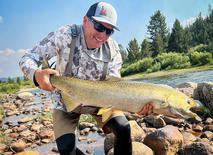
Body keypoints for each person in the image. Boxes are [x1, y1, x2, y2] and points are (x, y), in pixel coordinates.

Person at [19, 2, 152, 155]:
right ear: (85, 20)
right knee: (67, 148)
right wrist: (36, 75)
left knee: (123, 128)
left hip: (101, 103)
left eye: (109, 31)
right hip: (65, 102)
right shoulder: (65, 34)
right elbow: (27, 58)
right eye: (99, 27)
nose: (103, 35)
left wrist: (137, 106)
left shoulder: (113, 49)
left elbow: (116, 88)